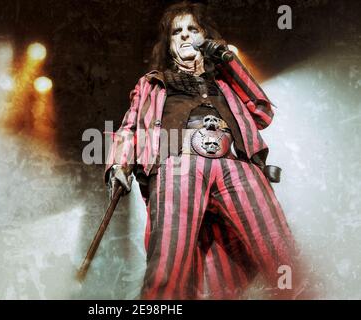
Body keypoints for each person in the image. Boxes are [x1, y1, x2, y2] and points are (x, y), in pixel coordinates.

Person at [105, 1, 308, 299]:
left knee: (280, 252)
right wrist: (119, 164)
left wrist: (228, 60)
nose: (185, 36)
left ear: (204, 35)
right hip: (177, 164)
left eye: (192, 29)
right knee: (168, 265)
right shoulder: (153, 84)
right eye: (177, 32)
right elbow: (131, 126)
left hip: (237, 165)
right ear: (169, 43)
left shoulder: (225, 82)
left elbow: (262, 112)